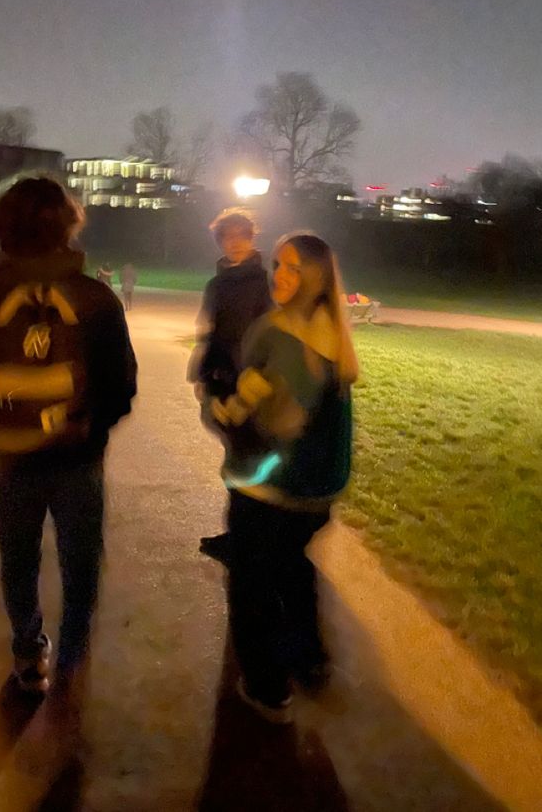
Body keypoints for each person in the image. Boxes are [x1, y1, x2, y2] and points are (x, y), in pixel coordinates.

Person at [0, 178, 137, 695]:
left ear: (3, 227)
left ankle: (29, 655)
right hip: (77, 459)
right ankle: (74, 658)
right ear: (68, 225)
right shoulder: (95, 297)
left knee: (18, 561)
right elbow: (122, 384)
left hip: (10, 458)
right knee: (80, 562)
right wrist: (88, 427)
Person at [211, 232, 358, 723]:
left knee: (252, 581)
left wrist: (223, 408)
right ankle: (309, 658)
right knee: (292, 566)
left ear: (314, 278)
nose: (281, 276)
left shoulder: (278, 333)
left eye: (293, 268)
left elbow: (272, 419)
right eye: (278, 265)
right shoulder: (333, 334)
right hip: (316, 491)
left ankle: (267, 686)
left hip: (268, 484)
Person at [187, 208, 272, 559]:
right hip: (221, 377)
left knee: (250, 459)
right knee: (236, 458)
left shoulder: (266, 282)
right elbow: (210, 332)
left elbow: (271, 334)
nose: (235, 242)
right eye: (228, 236)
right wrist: (203, 374)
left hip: (251, 380)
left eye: (242, 235)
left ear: (253, 237)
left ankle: (250, 538)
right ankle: (240, 533)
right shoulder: (216, 283)